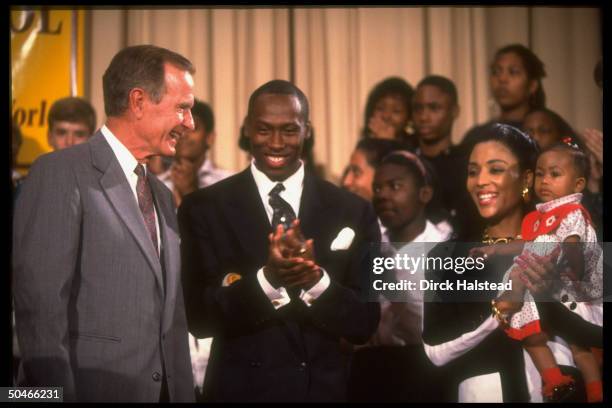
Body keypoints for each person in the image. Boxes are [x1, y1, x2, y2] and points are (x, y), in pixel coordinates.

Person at [12, 44, 196, 402]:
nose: (189, 123)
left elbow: (174, 319)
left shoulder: (159, 192)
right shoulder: (60, 173)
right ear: (138, 101)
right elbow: (41, 314)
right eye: (182, 108)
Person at [178, 79, 381, 402]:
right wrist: (266, 281)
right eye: (263, 130)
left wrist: (316, 282)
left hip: (321, 394)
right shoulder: (202, 208)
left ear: (307, 131)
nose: (275, 143)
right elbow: (198, 319)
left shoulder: (353, 211)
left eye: (289, 130)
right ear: (246, 129)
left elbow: (365, 323)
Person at [422, 123, 601, 402]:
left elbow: (598, 327)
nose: (480, 181)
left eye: (495, 169)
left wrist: (552, 293)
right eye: (473, 171)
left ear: (527, 179)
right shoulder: (448, 256)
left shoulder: (569, 239)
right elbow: (435, 352)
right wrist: (500, 311)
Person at [474, 143, 603, 402]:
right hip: (541, 282)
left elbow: (573, 245)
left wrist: (569, 267)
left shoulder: (571, 211)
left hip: (568, 282)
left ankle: (595, 391)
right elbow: (527, 242)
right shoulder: (538, 216)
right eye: (540, 174)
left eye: (554, 174)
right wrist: (496, 251)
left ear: (578, 185)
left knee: (579, 346)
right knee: (532, 337)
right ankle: (554, 380)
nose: (545, 181)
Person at [348, 150, 452, 402]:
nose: (383, 195)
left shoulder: (445, 248)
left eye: (395, 186)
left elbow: (440, 325)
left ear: (424, 194)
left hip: (424, 369)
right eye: (378, 188)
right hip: (371, 368)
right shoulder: (367, 245)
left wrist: (395, 287)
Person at [412, 74, 476, 238]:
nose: (424, 117)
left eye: (434, 108)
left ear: (454, 111)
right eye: (418, 108)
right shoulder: (405, 164)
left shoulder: (469, 164)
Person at [522, 108, 603, 238]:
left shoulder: (573, 213)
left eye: (543, 131)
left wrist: (594, 183)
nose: (535, 137)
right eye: (528, 132)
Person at [459, 44, 547, 157]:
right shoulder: (476, 136)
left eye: (513, 72)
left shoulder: (543, 132)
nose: (502, 79)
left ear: (532, 85)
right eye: (496, 72)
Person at [159, 99, 233, 207]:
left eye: (193, 128)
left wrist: (189, 190)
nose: (184, 135)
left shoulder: (228, 183)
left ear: (210, 138)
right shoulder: (155, 184)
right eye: (180, 127)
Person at [361, 76, 416, 149]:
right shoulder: (364, 147)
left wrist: (388, 143)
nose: (386, 116)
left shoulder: (416, 146)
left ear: (409, 116)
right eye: (380, 108)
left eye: (396, 111)